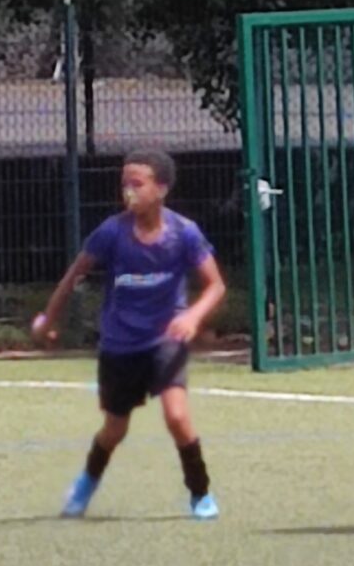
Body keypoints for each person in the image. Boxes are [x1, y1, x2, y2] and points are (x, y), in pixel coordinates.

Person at [32, 150, 226, 520]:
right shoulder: (112, 232)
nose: (128, 192)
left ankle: (200, 493)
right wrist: (47, 319)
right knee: (114, 429)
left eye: (137, 184)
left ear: (161, 189)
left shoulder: (184, 233)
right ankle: (87, 482)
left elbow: (215, 286)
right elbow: (73, 276)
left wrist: (193, 316)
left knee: (177, 417)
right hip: (120, 346)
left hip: (165, 340)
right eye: (125, 184)